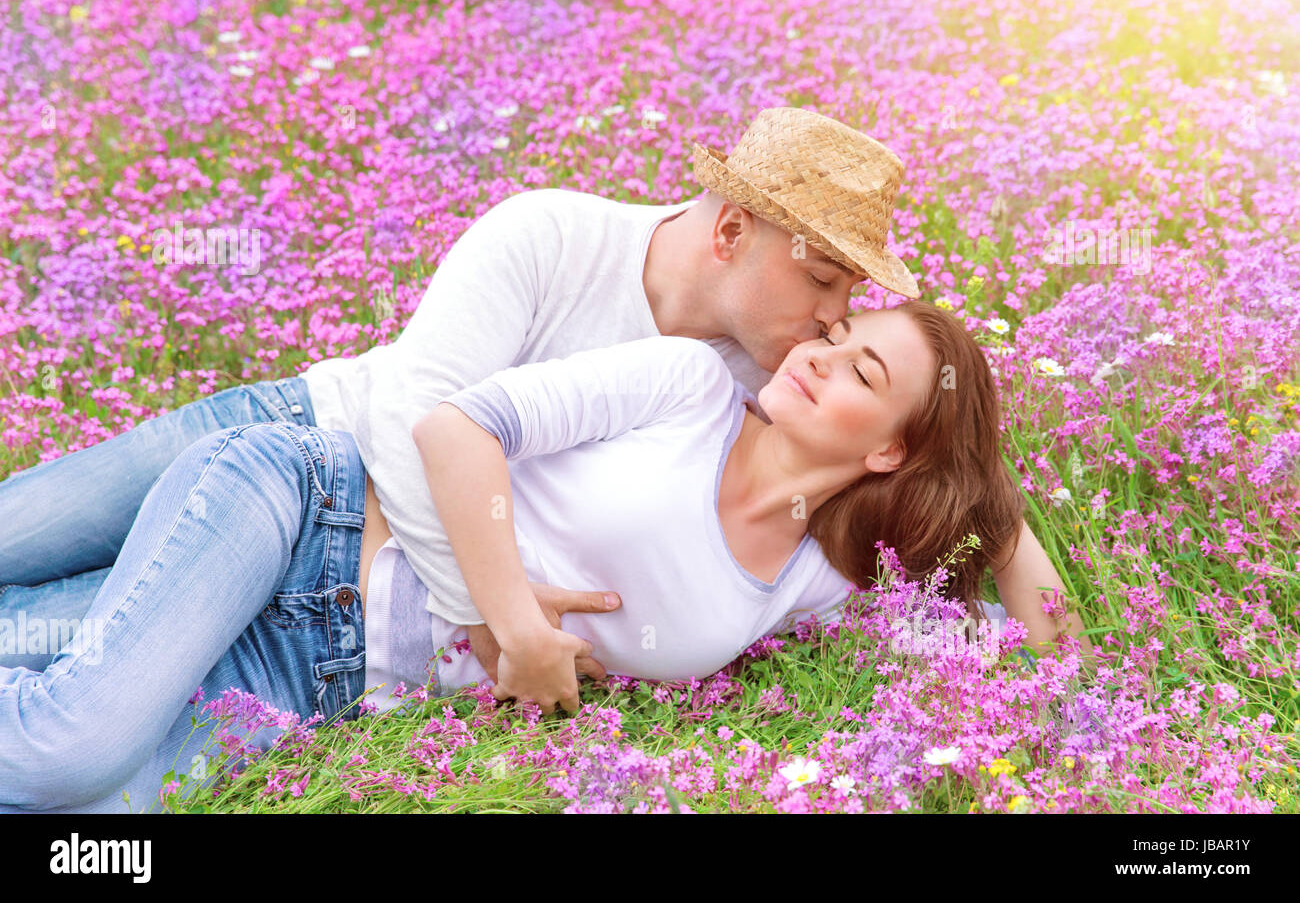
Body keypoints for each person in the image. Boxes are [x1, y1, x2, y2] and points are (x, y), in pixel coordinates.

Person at [0, 108, 1079, 682]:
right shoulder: (552, 233)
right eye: (825, 276)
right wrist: (490, 612)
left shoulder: (769, 377)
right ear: (731, 230)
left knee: (76, 648)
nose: (832, 317)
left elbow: (930, 481)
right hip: (295, 443)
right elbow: (413, 411)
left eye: (850, 296)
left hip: (346, 577)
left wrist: (976, 470)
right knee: (20, 541)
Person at [0, 298, 1084, 813]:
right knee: (65, 753)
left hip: (316, 676)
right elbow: (457, 424)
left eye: (861, 374)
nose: (818, 358)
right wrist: (515, 620)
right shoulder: (687, 384)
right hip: (296, 513)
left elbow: (1049, 645)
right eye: (835, 338)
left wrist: (986, 487)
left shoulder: (821, 580)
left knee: (91, 818)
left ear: (890, 445)